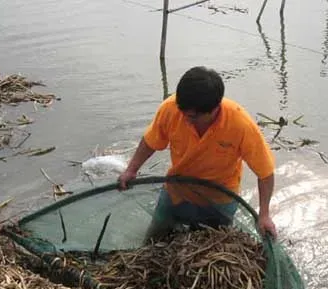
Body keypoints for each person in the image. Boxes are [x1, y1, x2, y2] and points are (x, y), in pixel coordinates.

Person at [117, 66, 277, 240]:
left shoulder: (240, 124)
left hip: (219, 199)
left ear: (215, 109)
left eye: (193, 117)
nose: (186, 119)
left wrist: (264, 215)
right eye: (183, 113)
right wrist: (131, 170)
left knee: (212, 247)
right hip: (177, 190)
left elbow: (265, 173)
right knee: (155, 238)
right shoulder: (171, 109)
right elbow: (150, 142)